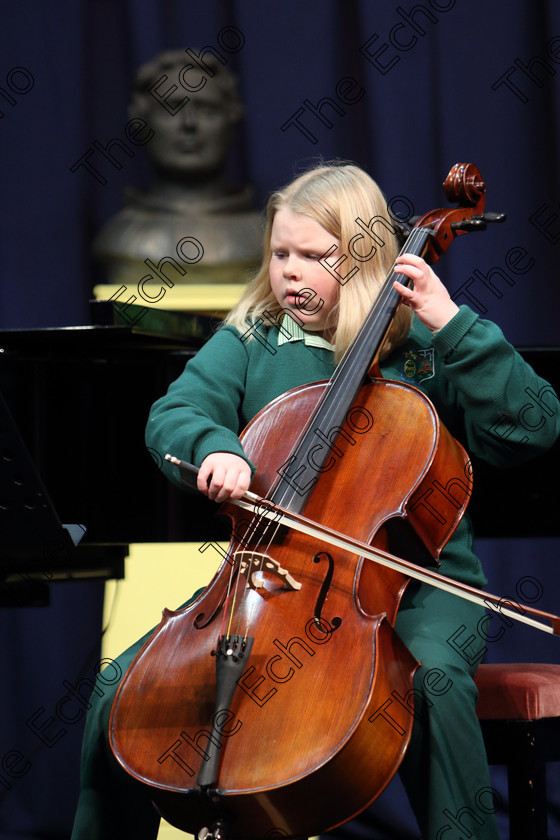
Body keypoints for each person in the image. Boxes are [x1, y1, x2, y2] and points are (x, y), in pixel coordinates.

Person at [72, 162, 560, 840]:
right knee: (118, 690)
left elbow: (532, 426)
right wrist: (216, 448)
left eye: (314, 256)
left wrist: (451, 321)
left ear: (362, 259)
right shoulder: (254, 339)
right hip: (266, 579)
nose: (290, 273)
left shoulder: (422, 344)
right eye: (280, 254)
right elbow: (176, 410)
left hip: (422, 592)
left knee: (435, 687)